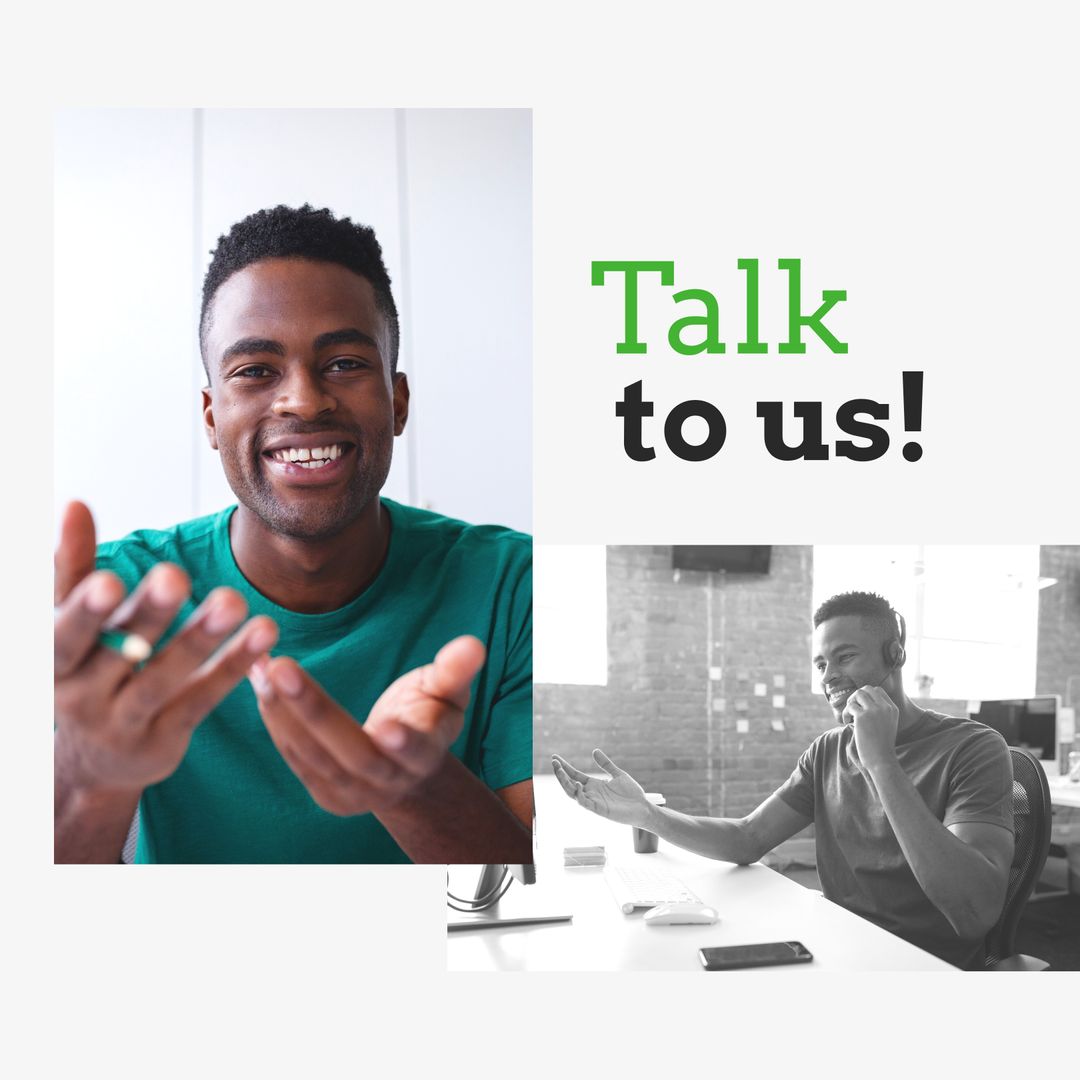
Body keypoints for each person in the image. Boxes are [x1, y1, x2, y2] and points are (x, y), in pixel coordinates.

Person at [55, 205, 533, 865]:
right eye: (255, 370)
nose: (304, 401)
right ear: (211, 415)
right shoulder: (113, 604)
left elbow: (562, 893)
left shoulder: (514, 585)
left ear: (398, 402)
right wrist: (89, 777)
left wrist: (413, 787)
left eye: (343, 363)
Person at [552, 591, 1015, 969]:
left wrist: (881, 762)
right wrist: (647, 815)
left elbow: (974, 914)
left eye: (845, 656)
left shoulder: (973, 747)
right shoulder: (828, 750)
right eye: (820, 664)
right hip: (839, 947)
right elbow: (747, 838)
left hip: (922, 965)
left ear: (895, 655)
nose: (829, 676)